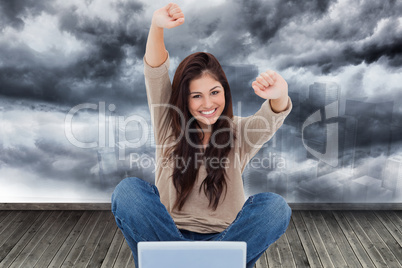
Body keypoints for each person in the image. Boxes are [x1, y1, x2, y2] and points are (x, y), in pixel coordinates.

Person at [111, 3, 293, 268]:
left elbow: (271, 117)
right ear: (184, 99)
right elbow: (155, 72)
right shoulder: (169, 124)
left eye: (214, 92)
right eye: (197, 96)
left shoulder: (237, 131)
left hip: (228, 240)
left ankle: (198, 263)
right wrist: (157, 26)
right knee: (127, 191)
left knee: (275, 207)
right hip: (166, 237)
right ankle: (188, 261)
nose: (208, 103)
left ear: (225, 92)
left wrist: (280, 93)